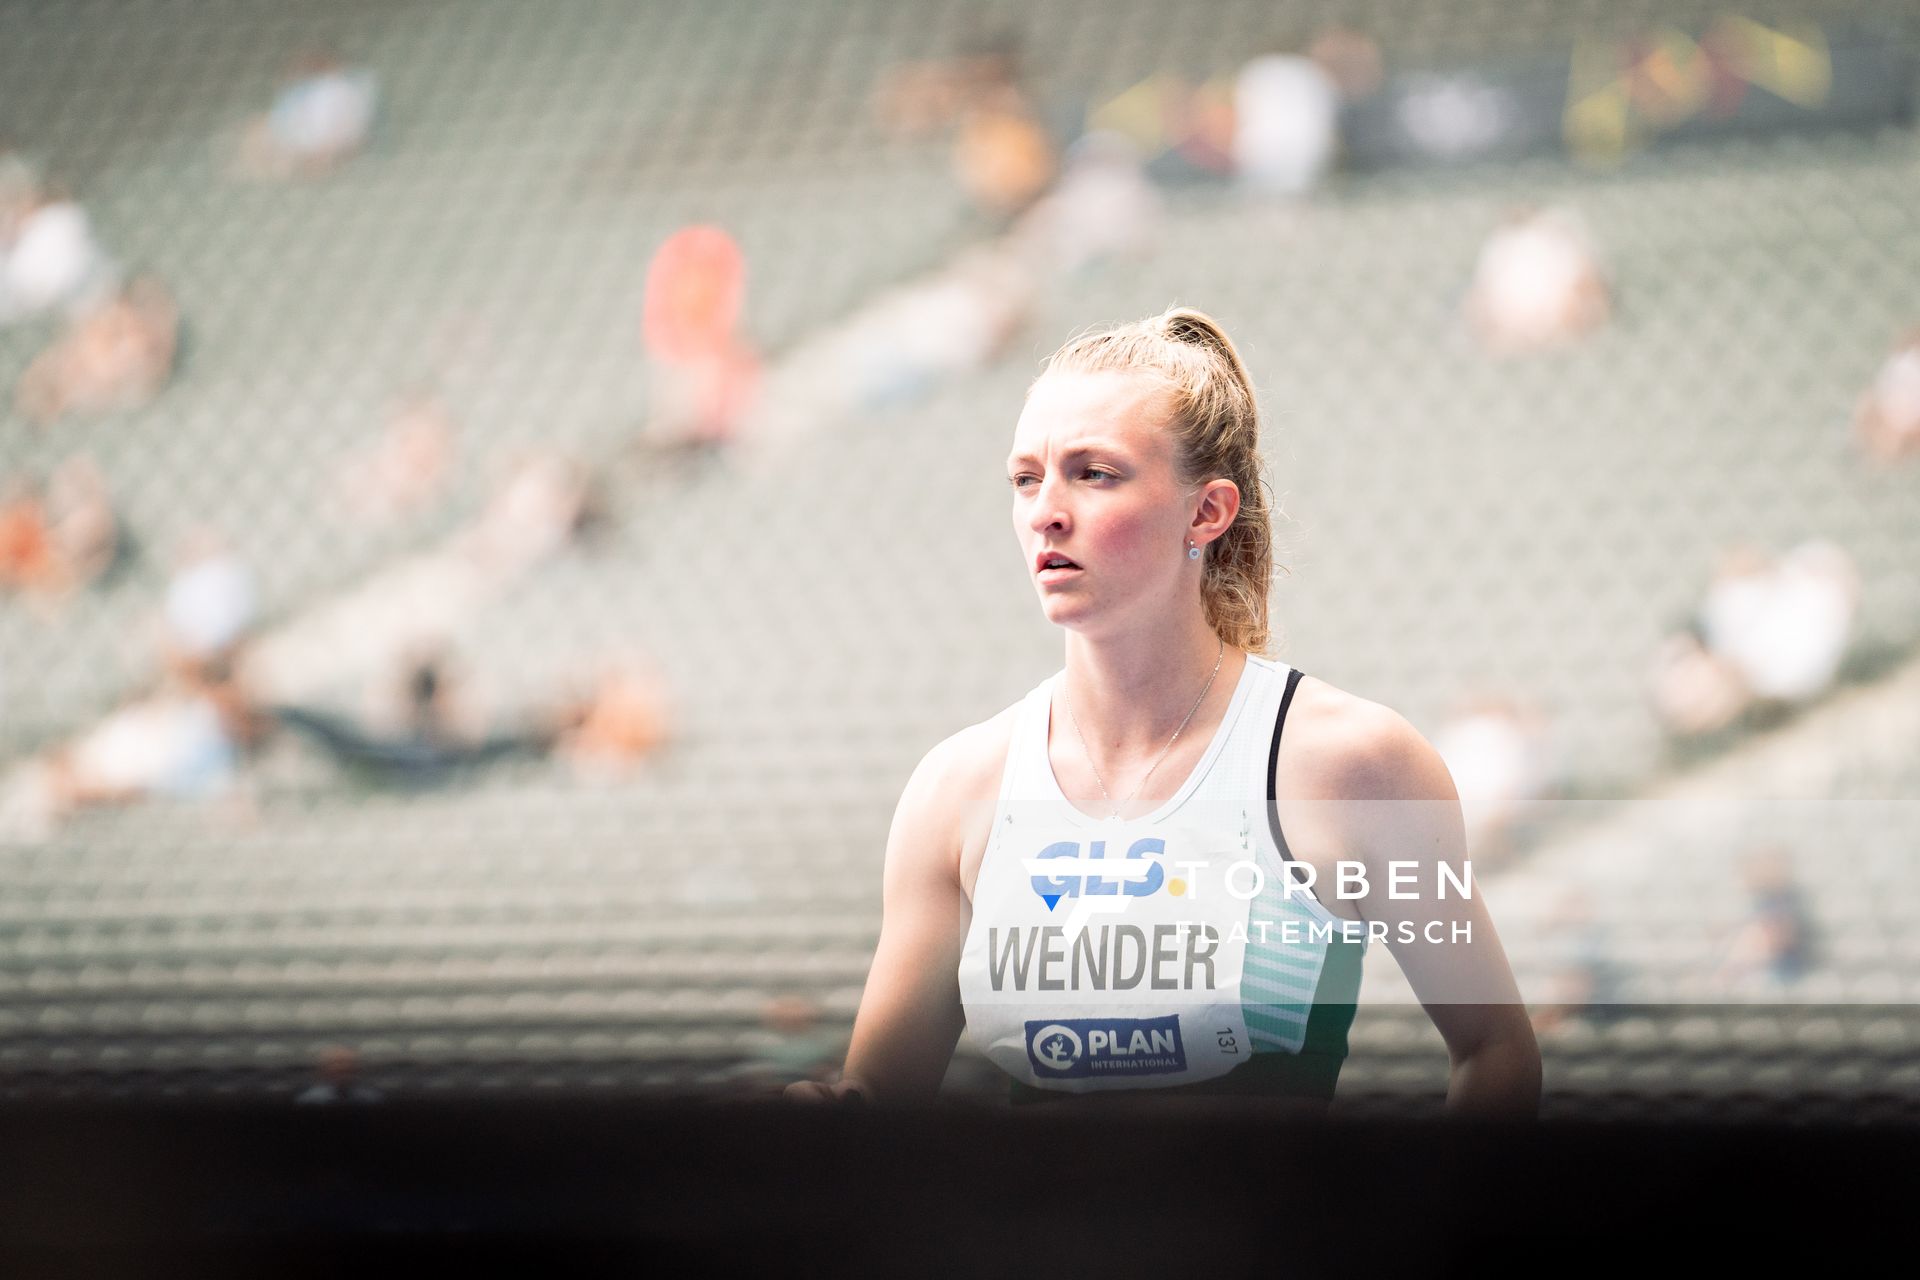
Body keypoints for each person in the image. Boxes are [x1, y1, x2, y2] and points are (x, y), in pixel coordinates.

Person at [789, 309, 1539, 1115]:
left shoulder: (1353, 764)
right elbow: (874, 1104)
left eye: (1094, 474)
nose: (1046, 510)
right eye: (1025, 477)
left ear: (1207, 512)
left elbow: (1496, 1054)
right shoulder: (957, 788)